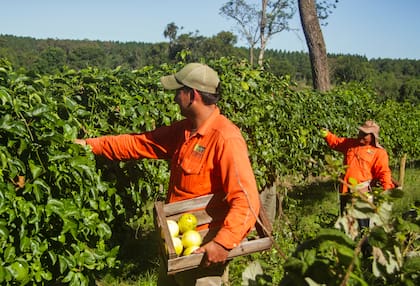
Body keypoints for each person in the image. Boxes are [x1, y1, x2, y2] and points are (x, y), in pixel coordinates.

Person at [75, 63, 261, 285]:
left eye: (177, 91)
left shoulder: (225, 138)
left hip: (202, 253)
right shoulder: (183, 131)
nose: (174, 98)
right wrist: (87, 145)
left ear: (191, 95)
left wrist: (222, 243)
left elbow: (247, 200)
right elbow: (138, 143)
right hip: (176, 246)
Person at [320, 120, 395, 229]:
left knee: (362, 225)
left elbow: (383, 172)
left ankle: (364, 245)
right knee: (346, 222)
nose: (361, 135)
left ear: (372, 136)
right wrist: (327, 135)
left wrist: (387, 190)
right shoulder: (350, 144)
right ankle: (349, 243)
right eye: (361, 132)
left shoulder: (378, 152)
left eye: (365, 134)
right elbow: (336, 142)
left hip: (362, 192)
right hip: (345, 190)